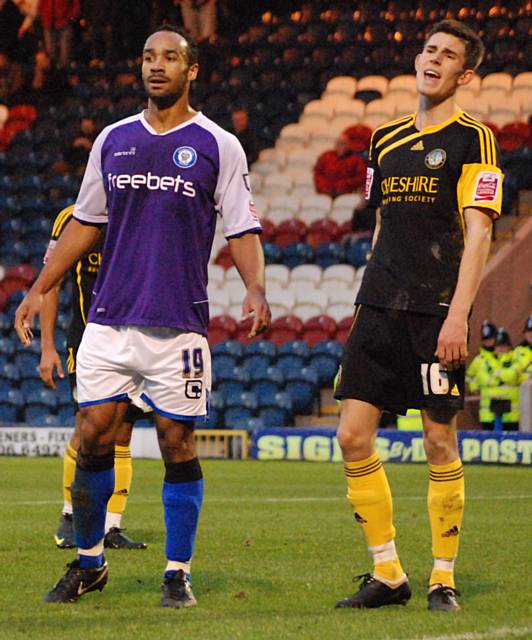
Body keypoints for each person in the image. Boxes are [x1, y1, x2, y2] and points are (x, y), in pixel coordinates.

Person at [15, 25, 270, 607]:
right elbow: (84, 223)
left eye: (170, 58)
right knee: (92, 436)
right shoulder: (112, 139)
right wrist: (39, 287)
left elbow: (242, 227)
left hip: (178, 324)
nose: (157, 66)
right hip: (108, 320)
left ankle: (177, 572)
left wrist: (255, 286)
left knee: (178, 444)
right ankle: (89, 563)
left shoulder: (218, 145)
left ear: (192, 70)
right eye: (149, 56)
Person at [334, 20, 503, 612]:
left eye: (448, 54)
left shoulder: (473, 139)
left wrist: (459, 315)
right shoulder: (383, 139)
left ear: (466, 74)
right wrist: (365, 293)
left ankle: (441, 577)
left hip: (436, 311)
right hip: (379, 303)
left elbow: (479, 233)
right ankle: (388, 573)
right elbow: (381, 224)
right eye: (429, 49)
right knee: (353, 436)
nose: (433, 59)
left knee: (438, 440)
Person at [40, 203, 148, 550]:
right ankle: (72, 515)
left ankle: (112, 525)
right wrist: (47, 347)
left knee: (123, 432)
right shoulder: (72, 217)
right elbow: (52, 282)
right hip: (86, 343)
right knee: (87, 429)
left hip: (133, 340)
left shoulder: (139, 213)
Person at [313, 132, 367, 198]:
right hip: (326, 192)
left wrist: (345, 185)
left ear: (348, 145)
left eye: (343, 144)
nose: (341, 146)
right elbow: (318, 173)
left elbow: (361, 176)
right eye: (339, 144)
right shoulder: (326, 156)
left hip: (347, 193)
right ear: (335, 145)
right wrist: (325, 187)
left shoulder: (356, 159)